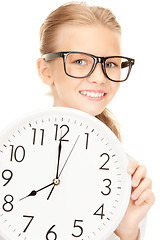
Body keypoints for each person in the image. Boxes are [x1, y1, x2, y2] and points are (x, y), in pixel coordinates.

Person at [37, 2, 155, 239]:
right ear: (46, 71)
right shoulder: (10, 149)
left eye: (110, 64)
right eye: (80, 61)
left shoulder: (126, 172)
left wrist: (127, 229)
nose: (99, 78)